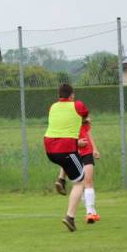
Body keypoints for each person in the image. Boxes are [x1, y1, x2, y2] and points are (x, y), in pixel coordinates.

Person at [44, 83, 89, 232]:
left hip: (50, 149)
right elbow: (85, 115)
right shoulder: (77, 105)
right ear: (72, 95)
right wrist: (84, 121)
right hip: (66, 149)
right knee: (80, 182)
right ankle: (70, 217)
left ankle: (61, 179)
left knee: (67, 160)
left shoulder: (53, 107)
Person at [54, 117, 100, 223]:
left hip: (87, 152)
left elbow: (88, 134)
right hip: (73, 154)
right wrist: (77, 143)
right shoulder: (65, 121)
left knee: (88, 181)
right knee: (81, 183)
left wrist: (94, 149)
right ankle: (61, 179)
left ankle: (90, 213)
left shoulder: (83, 119)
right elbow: (62, 140)